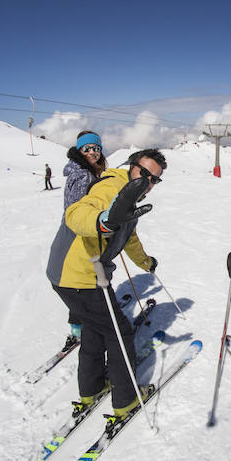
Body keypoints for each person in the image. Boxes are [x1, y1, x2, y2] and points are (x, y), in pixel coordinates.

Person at [46, 148, 164, 424]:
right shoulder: (112, 187)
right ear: (131, 167)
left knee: (94, 330)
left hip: (69, 276)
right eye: (143, 173)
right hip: (82, 277)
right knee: (119, 333)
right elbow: (77, 213)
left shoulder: (130, 195)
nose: (147, 181)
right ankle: (126, 400)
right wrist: (101, 221)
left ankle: (92, 388)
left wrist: (146, 263)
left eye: (154, 179)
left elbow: (129, 236)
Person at [57, 131, 108, 351]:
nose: (93, 153)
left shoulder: (83, 171)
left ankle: (77, 326)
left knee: (76, 281)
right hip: (79, 233)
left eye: (96, 149)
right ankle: (85, 326)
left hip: (74, 231)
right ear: (79, 151)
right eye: (87, 149)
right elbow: (79, 209)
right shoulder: (83, 175)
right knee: (83, 282)